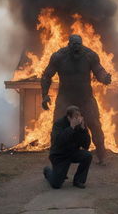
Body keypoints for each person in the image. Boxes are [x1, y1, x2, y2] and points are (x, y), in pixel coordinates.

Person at [41, 34, 111, 165]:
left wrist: (104, 77)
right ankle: (56, 159)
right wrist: (44, 95)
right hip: (65, 99)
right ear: (69, 45)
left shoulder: (90, 56)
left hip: (85, 99)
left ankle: (102, 157)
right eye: (74, 45)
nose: (77, 48)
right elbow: (46, 76)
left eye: (79, 45)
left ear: (82, 44)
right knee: (57, 128)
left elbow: (99, 70)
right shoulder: (59, 57)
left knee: (95, 126)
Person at [43, 106, 92, 189]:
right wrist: (71, 128)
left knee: (87, 156)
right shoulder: (59, 124)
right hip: (59, 155)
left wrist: (83, 130)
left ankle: (78, 180)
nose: (77, 119)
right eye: (75, 117)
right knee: (56, 184)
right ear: (68, 117)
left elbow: (86, 145)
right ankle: (47, 171)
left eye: (79, 117)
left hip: (72, 153)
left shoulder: (80, 125)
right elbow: (59, 141)